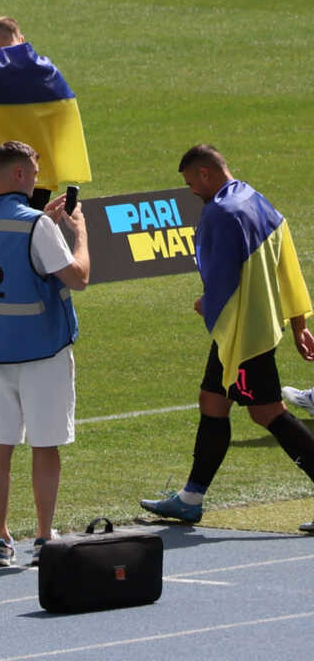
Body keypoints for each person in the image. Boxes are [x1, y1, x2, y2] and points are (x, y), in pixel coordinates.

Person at [138, 145, 314, 524]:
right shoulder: (256, 198)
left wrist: (208, 304)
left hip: (244, 333)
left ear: (205, 173)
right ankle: (190, 498)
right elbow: (288, 260)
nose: (192, 192)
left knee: (268, 413)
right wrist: (299, 321)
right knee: (212, 402)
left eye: (191, 183)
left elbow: (221, 278)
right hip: (246, 329)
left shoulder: (220, 212)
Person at [0, 140, 90, 567]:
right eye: (32, 173)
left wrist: (43, 228)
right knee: (45, 445)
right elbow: (79, 276)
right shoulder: (36, 226)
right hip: (42, 350)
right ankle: (44, 536)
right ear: (17, 175)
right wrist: (78, 232)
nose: (36, 180)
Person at [0, 19, 90, 205]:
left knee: (3, 226)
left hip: (1, 174)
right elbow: (65, 121)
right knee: (32, 226)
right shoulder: (49, 71)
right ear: (21, 39)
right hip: (38, 174)